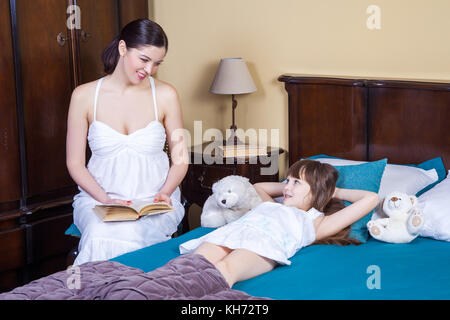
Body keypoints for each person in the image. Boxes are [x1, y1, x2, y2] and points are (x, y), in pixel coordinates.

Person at [66, 19, 188, 265]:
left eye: (157, 63)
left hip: (154, 200)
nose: (150, 69)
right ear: (123, 48)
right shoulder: (84, 96)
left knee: (137, 232)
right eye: (144, 59)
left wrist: (165, 192)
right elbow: (75, 163)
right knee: (102, 233)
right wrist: (105, 200)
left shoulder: (166, 95)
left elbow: (180, 159)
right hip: (98, 199)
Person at [179, 159, 379, 287]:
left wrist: (331, 191)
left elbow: (371, 199)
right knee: (187, 267)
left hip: (262, 246)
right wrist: (291, 185)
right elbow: (258, 186)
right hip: (231, 233)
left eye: (296, 182)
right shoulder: (273, 205)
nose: (286, 187)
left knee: (223, 270)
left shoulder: (316, 223)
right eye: (287, 181)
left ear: (317, 190)